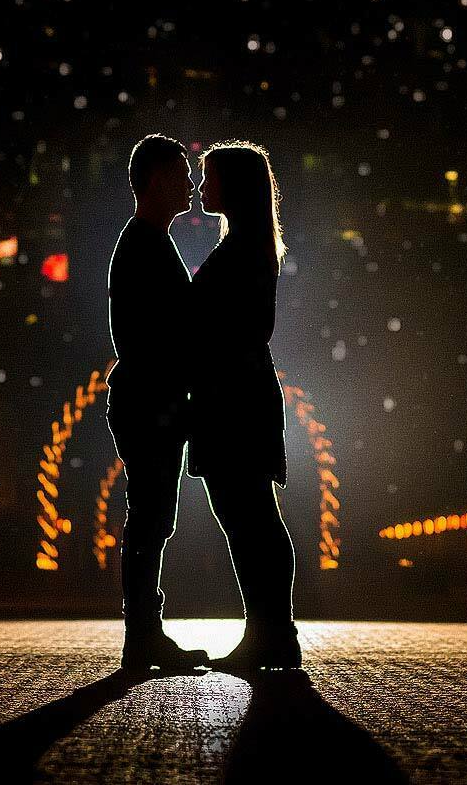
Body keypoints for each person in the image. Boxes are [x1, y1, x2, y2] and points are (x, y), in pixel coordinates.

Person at [189, 140, 301, 671]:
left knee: (247, 516)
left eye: (208, 176)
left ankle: (270, 633)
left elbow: (229, 327)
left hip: (231, 397)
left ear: (233, 186)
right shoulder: (251, 244)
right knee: (252, 516)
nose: (199, 186)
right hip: (239, 393)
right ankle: (272, 631)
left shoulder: (240, 250)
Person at [104, 133, 211, 671]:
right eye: (181, 173)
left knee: (149, 519)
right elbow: (157, 336)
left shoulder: (147, 241)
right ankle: (142, 636)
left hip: (148, 398)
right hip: (151, 402)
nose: (191, 184)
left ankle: (144, 633)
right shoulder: (146, 244)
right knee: (150, 521)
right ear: (154, 181)